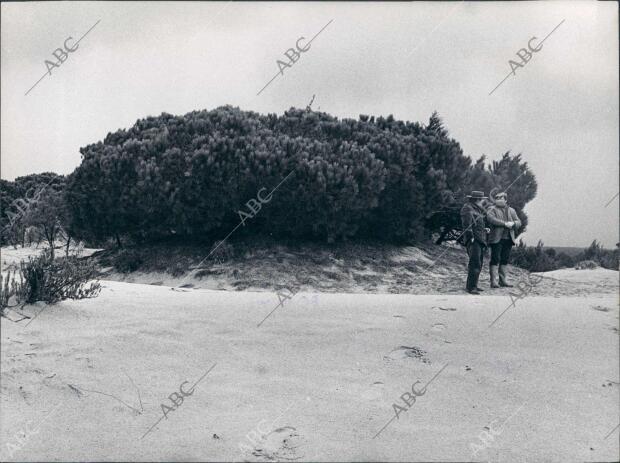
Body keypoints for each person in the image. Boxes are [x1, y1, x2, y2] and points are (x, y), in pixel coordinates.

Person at [486, 189, 522, 287]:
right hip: (496, 238)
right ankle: (493, 282)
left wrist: (514, 223)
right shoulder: (491, 209)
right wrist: (505, 224)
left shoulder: (512, 210)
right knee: (495, 259)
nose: (499, 200)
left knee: (504, 259)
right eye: (497, 198)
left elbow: (519, 222)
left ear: (506, 200)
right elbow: (491, 219)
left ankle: (503, 280)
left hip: (508, 239)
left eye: (501, 198)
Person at [460, 191, 490, 294]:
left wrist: (484, 229)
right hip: (474, 240)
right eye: (482, 200)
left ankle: (474, 285)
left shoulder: (476, 208)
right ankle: (471, 287)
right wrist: (470, 237)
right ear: (477, 199)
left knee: (479, 263)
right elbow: (466, 224)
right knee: (475, 263)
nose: (483, 201)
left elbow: (476, 224)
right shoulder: (467, 208)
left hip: (480, 239)